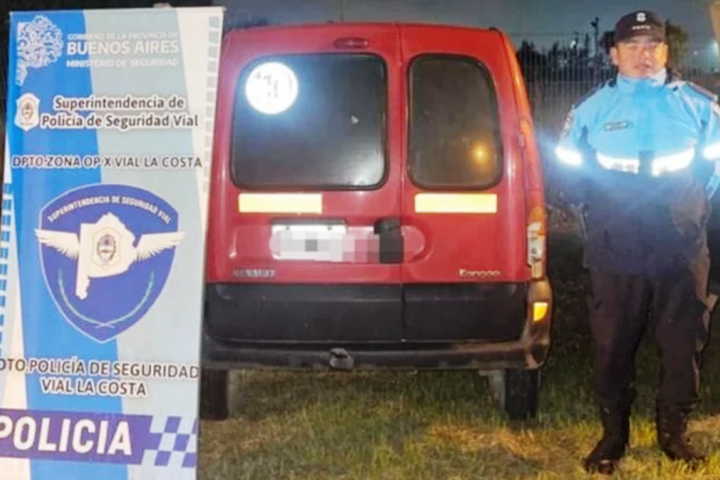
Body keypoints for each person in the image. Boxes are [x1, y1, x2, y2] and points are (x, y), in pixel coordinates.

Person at [554, 9, 720, 475]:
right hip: (617, 238)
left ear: (665, 52)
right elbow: (568, 167)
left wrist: (693, 210)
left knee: (683, 340)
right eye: (632, 47)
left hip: (680, 239)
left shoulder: (700, 106)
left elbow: (716, 171)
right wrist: (595, 205)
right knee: (612, 342)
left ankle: (674, 432)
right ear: (614, 55)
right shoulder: (591, 109)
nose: (643, 55)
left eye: (652, 46)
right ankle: (613, 435)